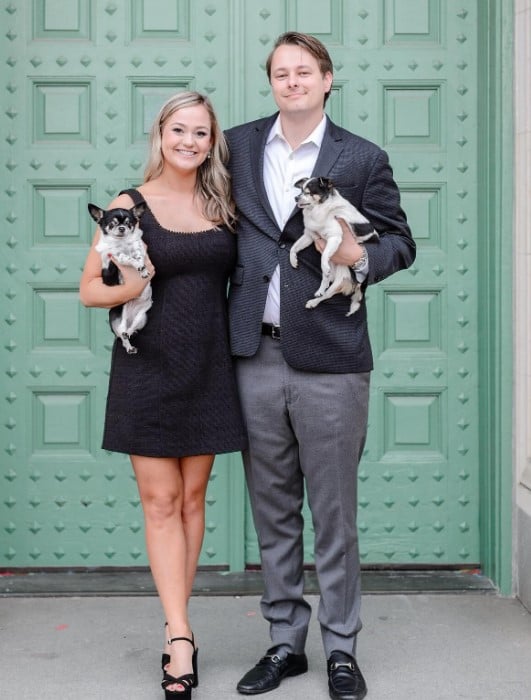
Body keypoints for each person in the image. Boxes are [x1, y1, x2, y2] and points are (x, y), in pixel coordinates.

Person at [225, 32, 416, 700]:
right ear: (270, 82)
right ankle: (284, 644)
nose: (292, 81)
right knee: (272, 509)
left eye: (303, 71)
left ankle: (341, 650)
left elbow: (398, 241)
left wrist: (358, 260)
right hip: (255, 352)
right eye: (280, 72)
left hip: (332, 360)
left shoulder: (361, 156)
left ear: (327, 79)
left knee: (333, 513)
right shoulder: (237, 145)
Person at [79, 91, 247, 700]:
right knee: (160, 500)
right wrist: (136, 281)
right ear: (161, 133)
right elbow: (90, 292)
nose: (189, 142)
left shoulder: (225, 202)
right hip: (147, 368)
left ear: (212, 142)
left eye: (201, 133)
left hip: (208, 365)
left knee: (193, 498)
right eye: (180, 130)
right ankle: (180, 634)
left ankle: (180, 619)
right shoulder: (129, 205)